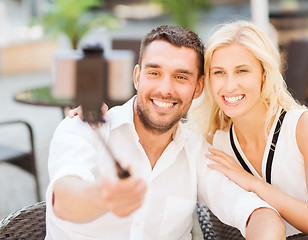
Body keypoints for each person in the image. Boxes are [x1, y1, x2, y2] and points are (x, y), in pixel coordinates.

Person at [45, 25, 286, 240]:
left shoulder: (197, 152)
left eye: (181, 77)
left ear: (198, 87)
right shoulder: (82, 128)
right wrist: (103, 196)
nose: (165, 89)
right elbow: (64, 198)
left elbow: (259, 214)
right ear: (138, 76)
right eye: (154, 73)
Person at [187, 20, 308, 239]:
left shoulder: (303, 127)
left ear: (264, 74)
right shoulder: (216, 144)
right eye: (219, 73)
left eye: (241, 71)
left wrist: (254, 184)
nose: (229, 85)